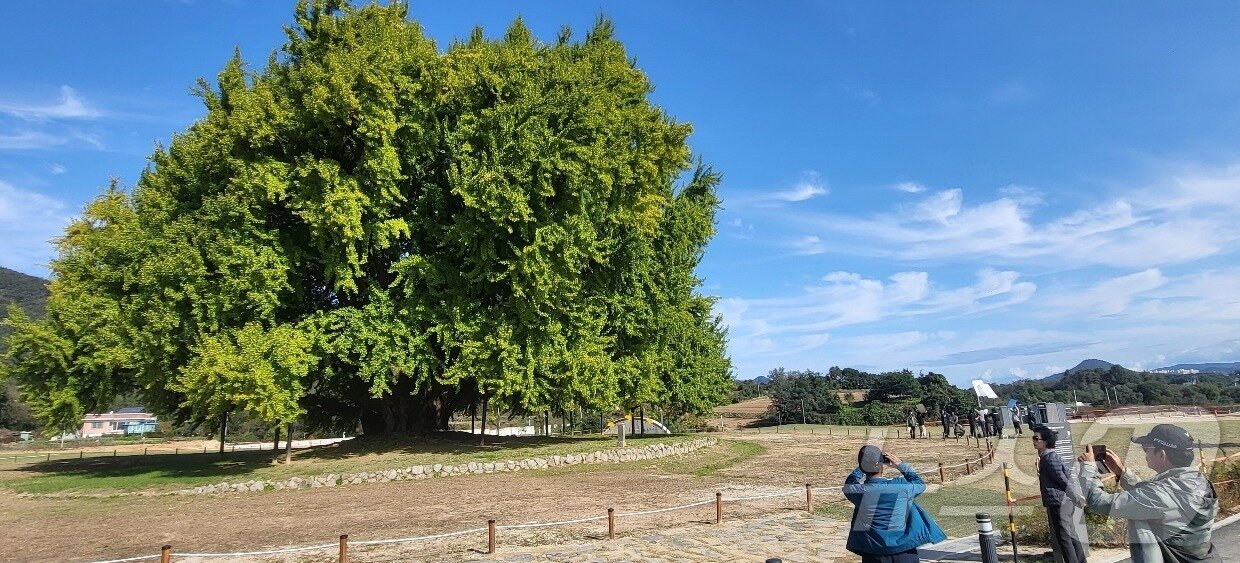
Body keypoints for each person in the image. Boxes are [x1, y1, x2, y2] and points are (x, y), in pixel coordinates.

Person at [1078, 424, 1220, 562]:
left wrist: (1089, 468)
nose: (1145, 454)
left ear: (1161, 455)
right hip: (1204, 558)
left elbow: (1099, 502)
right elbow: (1153, 495)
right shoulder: (1198, 481)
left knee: (1137, 516)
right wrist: (1121, 472)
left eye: (1146, 448)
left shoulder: (1161, 494)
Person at [843, 445, 947, 562]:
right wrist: (900, 464)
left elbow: (849, 482)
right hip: (904, 550)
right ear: (881, 465)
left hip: (873, 552)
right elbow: (919, 483)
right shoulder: (901, 486)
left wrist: (863, 466)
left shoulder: (857, 492)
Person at [1032, 425, 1087, 563]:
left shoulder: (1049, 458)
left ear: (1045, 441)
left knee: (1064, 538)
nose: (1033, 441)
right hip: (1062, 501)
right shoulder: (1048, 457)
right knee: (1070, 535)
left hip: (1060, 502)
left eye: (1036, 438)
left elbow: (1063, 480)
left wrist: (1076, 497)